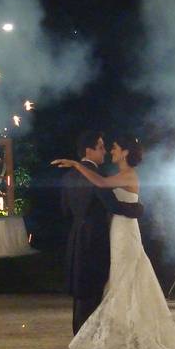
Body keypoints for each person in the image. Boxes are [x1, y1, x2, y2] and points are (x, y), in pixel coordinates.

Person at [53, 136, 175, 349]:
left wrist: (76, 164)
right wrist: (138, 209)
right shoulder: (111, 176)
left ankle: (124, 332)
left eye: (115, 148)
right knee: (119, 278)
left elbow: (81, 202)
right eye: (105, 147)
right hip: (115, 229)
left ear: (126, 152)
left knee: (124, 277)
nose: (110, 151)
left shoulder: (123, 175)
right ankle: (122, 330)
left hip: (122, 232)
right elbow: (111, 199)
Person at [59, 131, 146, 336]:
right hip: (98, 236)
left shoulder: (68, 176)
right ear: (89, 150)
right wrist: (138, 209)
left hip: (77, 235)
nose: (106, 150)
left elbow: (64, 211)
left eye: (111, 147)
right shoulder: (99, 176)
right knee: (95, 286)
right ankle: (89, 335)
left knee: (83, 287)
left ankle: (80, 333)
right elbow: (113, 205)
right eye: (101, 147)